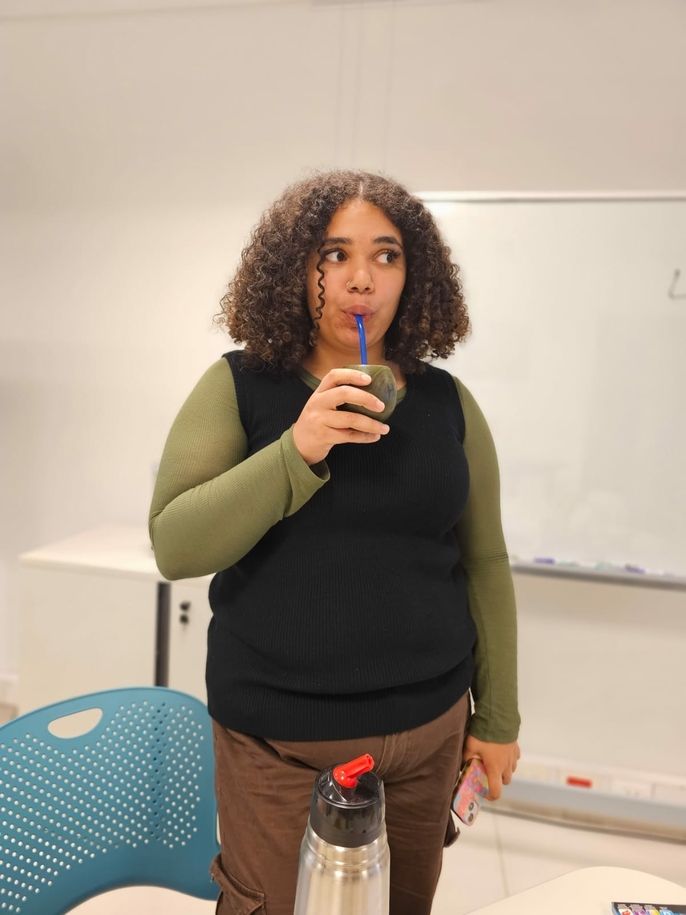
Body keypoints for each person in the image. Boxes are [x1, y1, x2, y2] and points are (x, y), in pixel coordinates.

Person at [149, 169, 521, 915]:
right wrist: (299, 448)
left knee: (403, 905)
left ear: (413, 275)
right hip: (278, 740)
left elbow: (484, 558)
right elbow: (176, 545)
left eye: (387, 256)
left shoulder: (449, 402)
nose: (362, 280)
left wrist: (498, 717)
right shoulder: (239, 388)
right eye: (334, 254)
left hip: (431, 730)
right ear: (296, 267)